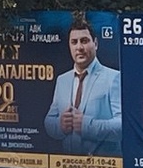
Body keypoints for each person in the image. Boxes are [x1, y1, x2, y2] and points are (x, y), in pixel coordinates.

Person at [43, 18, 121, 157]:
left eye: (84, 41)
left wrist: (87, 125)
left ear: (95, 44)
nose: (79, 47)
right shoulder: (62, 80)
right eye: (74, 42)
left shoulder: (113, 78)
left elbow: (122, 126)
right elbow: (49, 121)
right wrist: (59, 126)